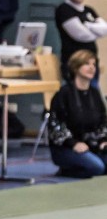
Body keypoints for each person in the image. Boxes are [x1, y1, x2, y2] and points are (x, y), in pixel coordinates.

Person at [46, 49, 107, 177]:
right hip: (66, 147)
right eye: (87, 64)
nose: (92, 68)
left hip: (92, 145)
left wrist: (103, 140)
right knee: (97, 167)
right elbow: (55, 125)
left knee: (100, 165)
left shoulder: (95, 94)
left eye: (94, 64)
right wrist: (73, 143)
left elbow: (102, 121)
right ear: (75, 67)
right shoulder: (63, 94)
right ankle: (65, 170)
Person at [54, 0, 106, 77]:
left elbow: (105, 29)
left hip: (92, 62)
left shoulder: (89, 10)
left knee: (93, 88)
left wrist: (88, 26)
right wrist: (97, 32)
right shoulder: (64, 9)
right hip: (74, 64)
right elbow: (81, 35)